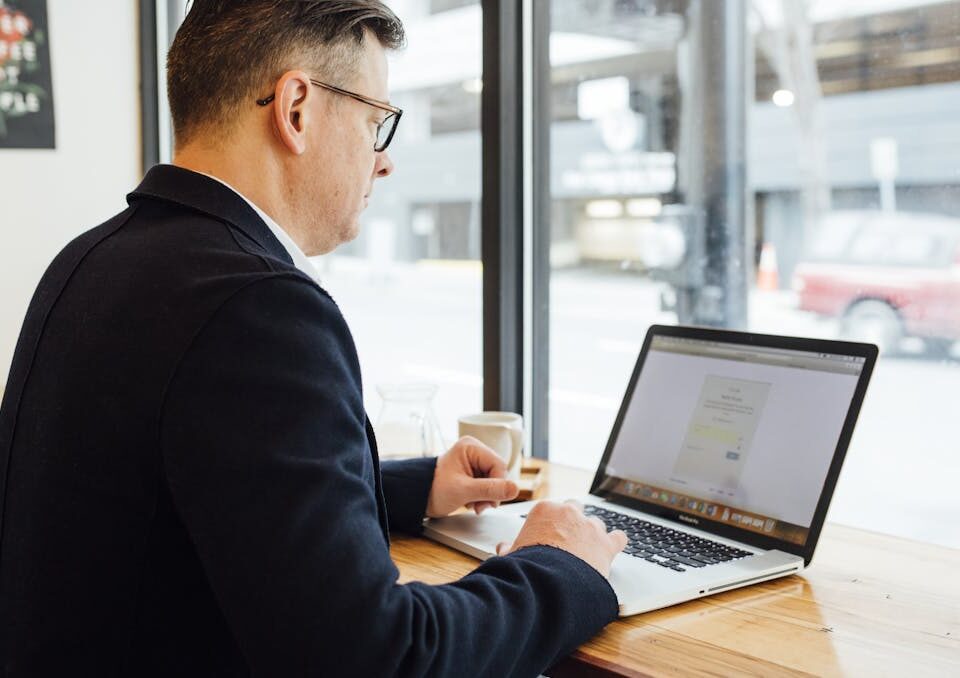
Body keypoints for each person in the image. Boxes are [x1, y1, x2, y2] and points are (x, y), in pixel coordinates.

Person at [0, 1, 627, 676]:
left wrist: (414, 490)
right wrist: (558, 566)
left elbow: (199, 490)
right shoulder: (256, 308)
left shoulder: (91, 261)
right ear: (295, 108)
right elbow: (379, 659)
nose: (382, 164)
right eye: (374, 122)